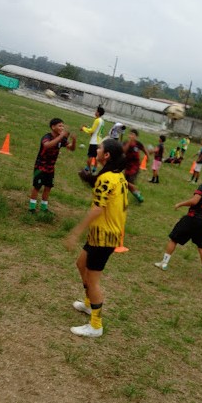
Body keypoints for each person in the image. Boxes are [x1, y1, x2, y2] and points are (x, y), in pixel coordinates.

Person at [64, 139, 128, 338]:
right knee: (80, 264)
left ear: (106, 155)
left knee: (93, 282)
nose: (97, 149)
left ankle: (96, 325)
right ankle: (88, 304)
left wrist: (75, 232)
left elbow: (97, 209)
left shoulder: (107, 178)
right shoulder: (116, 176)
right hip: (101, 234)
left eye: (100, 148)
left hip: (104, 237)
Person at [154, 166, 202, 282]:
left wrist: (180, 204)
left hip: (193, 218)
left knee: (174, 238)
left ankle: (164, 263)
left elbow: (194, 201)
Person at [28, 118, 76, 214]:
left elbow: (71, 148)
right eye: (60, 126)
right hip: (40, 167)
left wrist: (74, 141)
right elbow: (47, 145)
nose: (62, 128)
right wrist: (61, 136)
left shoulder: (62, 139)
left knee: (48, 187)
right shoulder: (47, 137)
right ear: (53, 127)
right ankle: (31, 208)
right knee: (37, 186)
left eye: (63, 126)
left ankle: (44, 208)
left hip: (50, 168)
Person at [122, 129, 148, 203]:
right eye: (130, 134)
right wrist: (129, 142)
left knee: (127, 182)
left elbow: (144, 150)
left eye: (133, 134)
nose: (131, 136)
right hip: (127, 166)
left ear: (136, 136)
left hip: (135, 166)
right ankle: (137, 195)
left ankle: (138, 196)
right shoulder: (126, 143)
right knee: (125, 183)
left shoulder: (138, 144)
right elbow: (124, 151)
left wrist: (148, 157)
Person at [80, 106, 105, 173]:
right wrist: (88, 128)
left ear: (98, 113)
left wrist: (83, 128)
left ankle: (87, 169)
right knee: (96, 157)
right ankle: (94, 170)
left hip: (94, 142)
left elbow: (92, 131)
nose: (95, 112)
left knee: (90, 156)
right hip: (99, 142)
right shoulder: (102, 121)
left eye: (96, 111)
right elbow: (97, 131)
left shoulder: (97, 120)